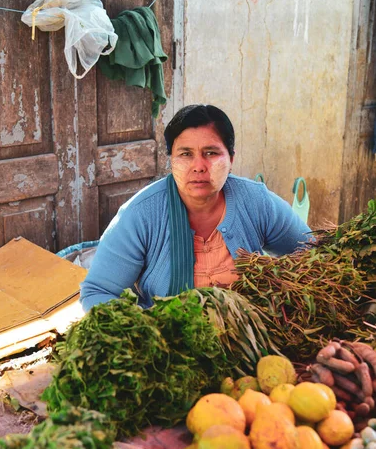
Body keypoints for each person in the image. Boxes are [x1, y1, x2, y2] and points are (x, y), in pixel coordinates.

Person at [80, 104, 312, 311]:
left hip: (248, 339)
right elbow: (97, 292)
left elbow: (313, 252)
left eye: (211, 153)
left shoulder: (255, 201)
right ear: (171, 160)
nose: (198, 166)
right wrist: (143, 333)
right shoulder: (141, 214)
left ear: (231, 159)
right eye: (185, 154)